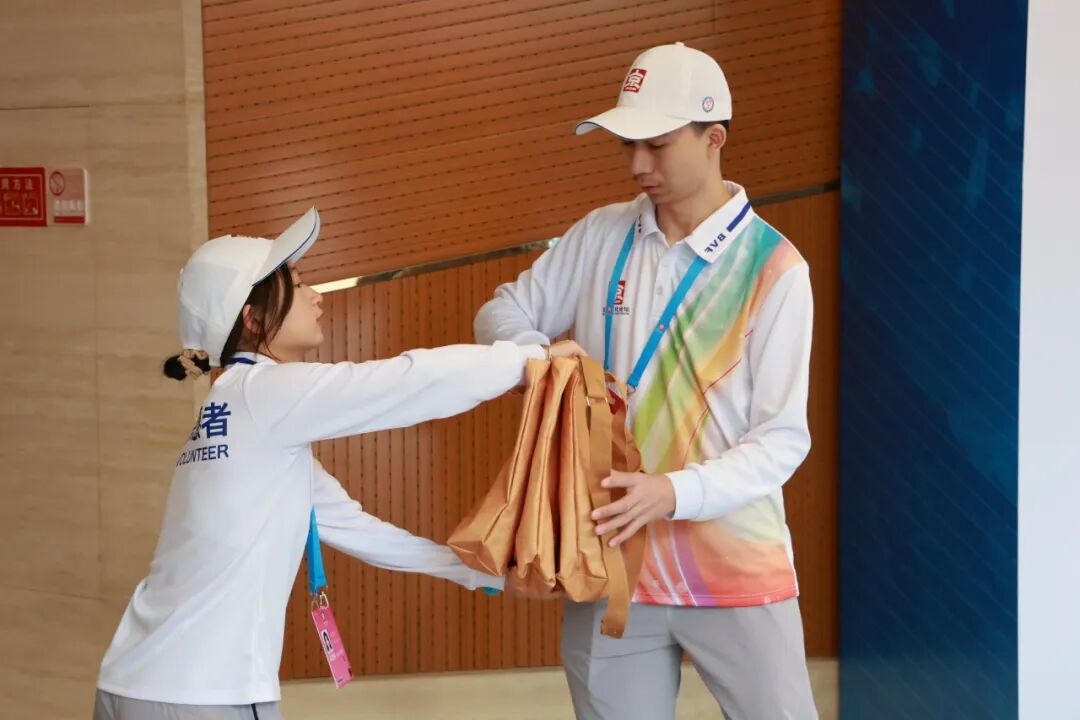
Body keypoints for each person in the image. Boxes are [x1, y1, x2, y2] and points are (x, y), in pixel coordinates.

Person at [93, 208, 584, 719]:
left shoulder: (241, 409)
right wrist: (528, 362)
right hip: (199, 696)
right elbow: (406, 382)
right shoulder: (264, 392)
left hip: (144, 684)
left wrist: (488, 576)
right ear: (252, 319)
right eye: (297, 284)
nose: (316, 296)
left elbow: (356, 528)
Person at [475, 43, 818, 720]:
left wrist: (673, 492)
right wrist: (541, 357)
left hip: (735, 568)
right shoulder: (602, 233)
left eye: (657, 145)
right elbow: (500, 310)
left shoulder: (776, 268)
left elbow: (782, 440)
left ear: (714, 138)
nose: (637, 165)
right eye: (627, 145)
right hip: (609, 564)